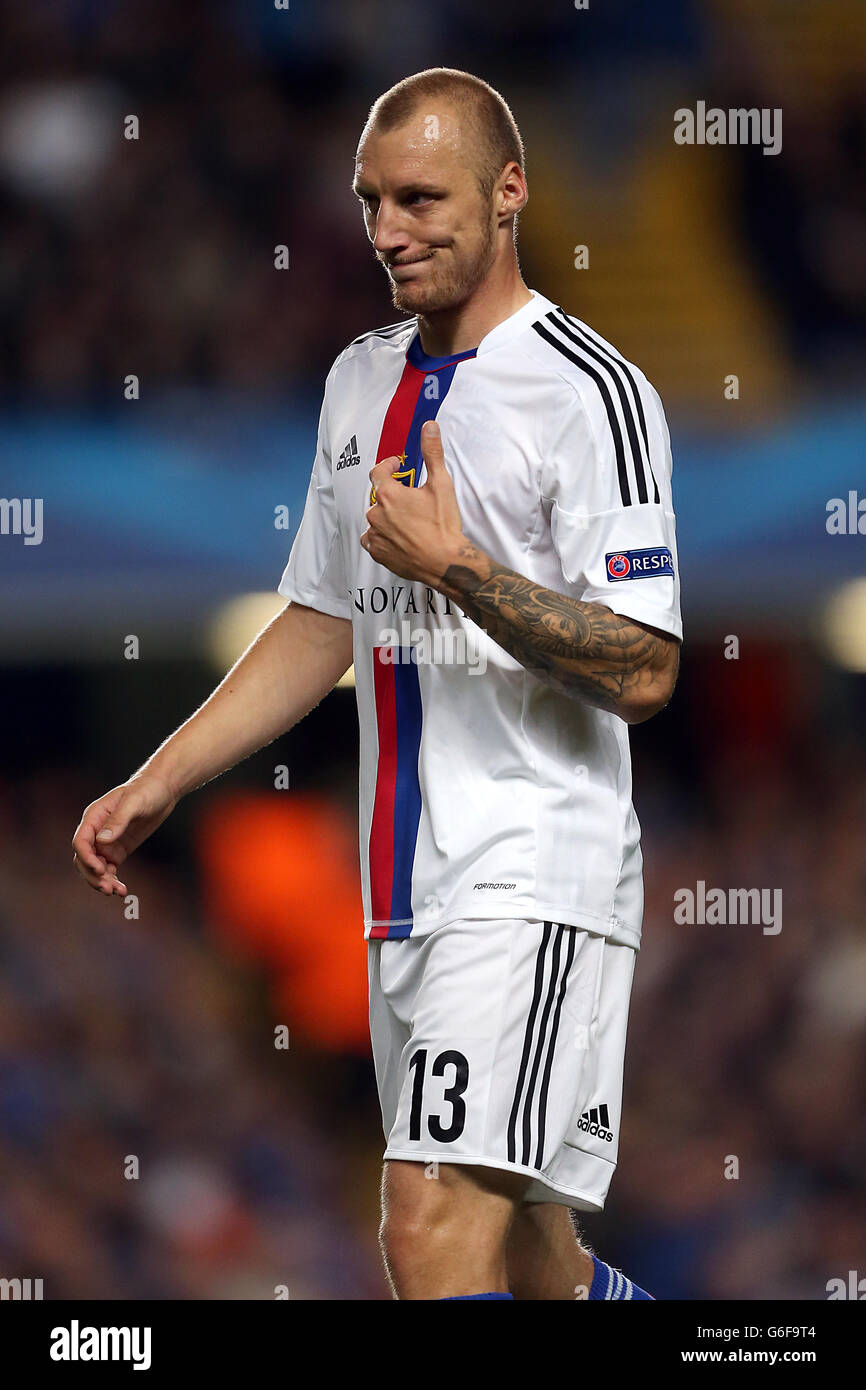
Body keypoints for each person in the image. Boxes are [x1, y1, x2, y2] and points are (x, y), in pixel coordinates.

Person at [73, 67, 682, 1301]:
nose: (388, 231)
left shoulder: (591, 395)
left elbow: (650, 667)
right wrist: (161, 779)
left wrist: (457, 567)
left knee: (422, 1224)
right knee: (534, 1253)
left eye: (420, 198)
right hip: (399, 886)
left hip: (529, 871)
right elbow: (321, 618)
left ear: (508, 192)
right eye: (370, 202)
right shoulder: (359, 378)